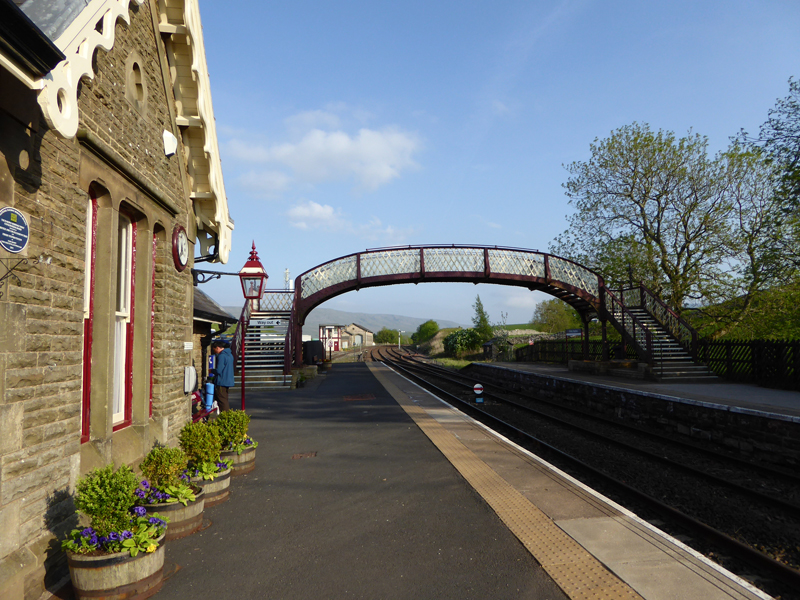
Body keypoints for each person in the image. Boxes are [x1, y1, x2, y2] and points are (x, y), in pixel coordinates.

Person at [210, 340, 234, 411]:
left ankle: (226, 416)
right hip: (228, 380)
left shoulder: (222, 356)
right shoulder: (230, 355)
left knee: (222, 401)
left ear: (217, 347)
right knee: (224, 399)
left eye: (214, 350)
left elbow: (218, 370)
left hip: (221, 381)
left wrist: (211, 370)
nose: (215, 352)